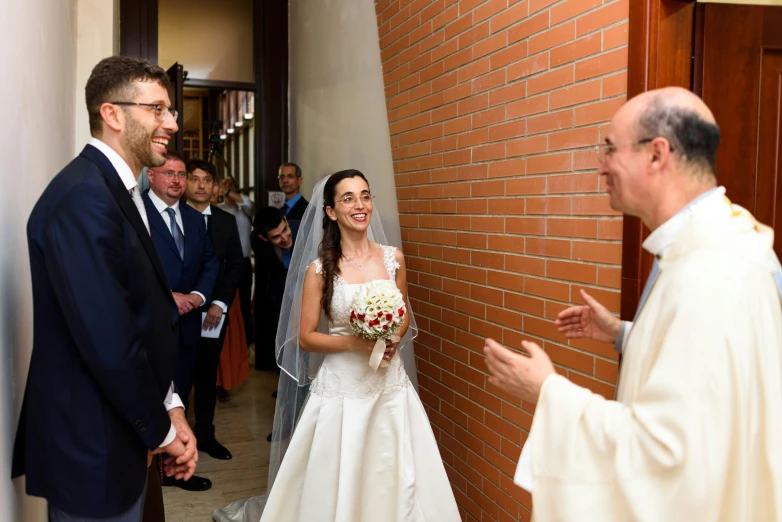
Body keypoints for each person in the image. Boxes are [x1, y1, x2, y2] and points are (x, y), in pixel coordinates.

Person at [483, 87, 782, 521]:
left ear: (657, 154)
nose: (601, 164)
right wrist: (624, 332)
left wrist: (548, 391)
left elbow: (666, 458)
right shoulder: (712, 242)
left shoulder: (715, 270)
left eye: (609, 148)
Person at [12, 56, 197, 522]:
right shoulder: (83, 198)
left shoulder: (113, 189)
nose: (172, 123)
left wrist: (171, 405)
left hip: (118, 432)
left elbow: (141, 314)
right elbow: (109, 340)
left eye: (170, 111)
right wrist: (161, 432)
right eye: (157, 109)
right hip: (91, 444)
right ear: (113, 114)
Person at [214, 171, 458, 522]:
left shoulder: (394, 259)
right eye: (348, 198)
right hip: (342, 386)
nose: (360, 205)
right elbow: (306, 336)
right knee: (339, 472)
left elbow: (403, 313)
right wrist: (354, 344)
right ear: (330, 211)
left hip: (390, 385)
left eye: (365, 195)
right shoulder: (320, 270)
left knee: (397, 469)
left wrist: (392, 337)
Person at [143, 152, 218, 492]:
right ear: (151, 176)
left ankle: (175, 468)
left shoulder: (193, 217)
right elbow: (131, 268)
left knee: (180, 394)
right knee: (153, 392)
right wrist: (167, 295)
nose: (177, 180)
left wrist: (199, 297)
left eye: (182, 174)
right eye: (169, 173)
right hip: (151, 323)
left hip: (189, 324)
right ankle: (152, 471)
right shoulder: (135, 213)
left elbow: (209, 261)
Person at [185, 159, 244, 462]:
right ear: (184, 183)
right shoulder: (173, 218)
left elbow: (235, 266)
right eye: (194, 179)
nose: (200, 185)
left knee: (207, 373)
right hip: (178, 310)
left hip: (213, 314)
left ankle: (205, 434)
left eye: (206, 180)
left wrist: (220, 304)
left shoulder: (224, 221)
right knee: (178, 374)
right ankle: (175, 440)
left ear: (214, 186)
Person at [251, 206, 293, 372]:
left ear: (286, 220)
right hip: (280, 297)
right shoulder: (257, 241)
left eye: (285, 229)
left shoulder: (304, 231)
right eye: (276, 237)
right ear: (264, 238)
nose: (284, 238)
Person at [218, 174, 254, 346]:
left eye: (229, 184)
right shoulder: (219, 208)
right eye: (223, 184)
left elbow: (249, 206)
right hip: (224, 265)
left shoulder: (244, 208)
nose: (226, 186)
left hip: (244, 263)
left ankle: (245, 341)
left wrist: (229, 190)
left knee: (245, 303)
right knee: (225, 303)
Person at [277, 162, 308, 241]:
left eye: (290, 176)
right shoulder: (279, 211)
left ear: (299, 180)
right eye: (282, 177)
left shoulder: (308, 210)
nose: (285, 181)